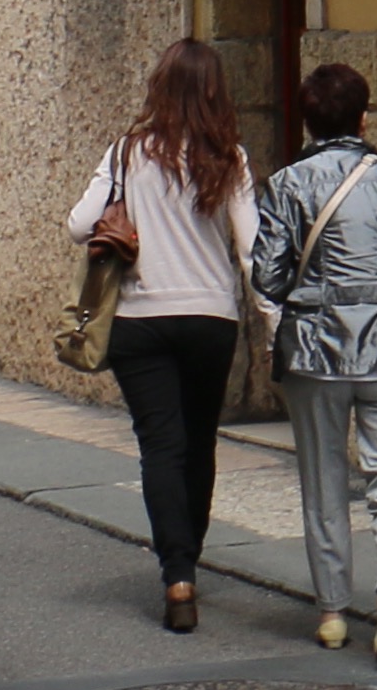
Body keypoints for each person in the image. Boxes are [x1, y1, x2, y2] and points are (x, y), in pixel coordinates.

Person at [244, 60, 377, 673]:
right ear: (364, 119)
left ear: (308, 123)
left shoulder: (286, 185)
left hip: (315, 354)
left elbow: (267, 276)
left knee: (324, 482)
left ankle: (333, 613)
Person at [66, 38, 267, 634]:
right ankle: (189, 555)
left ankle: (176, 575)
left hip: (140, 321)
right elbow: (252, 251)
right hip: (210, 321)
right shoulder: (229, 158)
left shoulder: (128, 153)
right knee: (199, 442)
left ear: (159, 87)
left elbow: (79, 225)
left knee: (160, 446)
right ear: (215, 92)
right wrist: (276, 321)